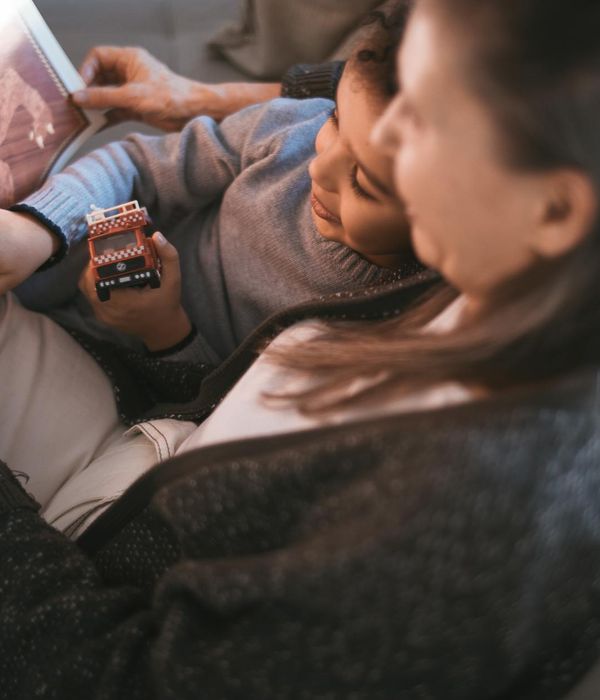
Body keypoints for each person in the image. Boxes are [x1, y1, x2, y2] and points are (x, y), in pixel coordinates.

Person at [0, 0, 600, 697]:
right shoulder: (497, 282)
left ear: (555, 208)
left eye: (427, 108)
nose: (310, 113)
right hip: (143, 453)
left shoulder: (471, 502)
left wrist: (166, 339)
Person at [16, 4, 417, 367]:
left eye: (364, 182)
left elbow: (214, 411)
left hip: (123, 379)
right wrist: (39, 227)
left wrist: (164, 330)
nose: (318, 168)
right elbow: (136, 163)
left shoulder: (389, 326)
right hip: (57, 272)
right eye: (335, 120)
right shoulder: (288, 130)